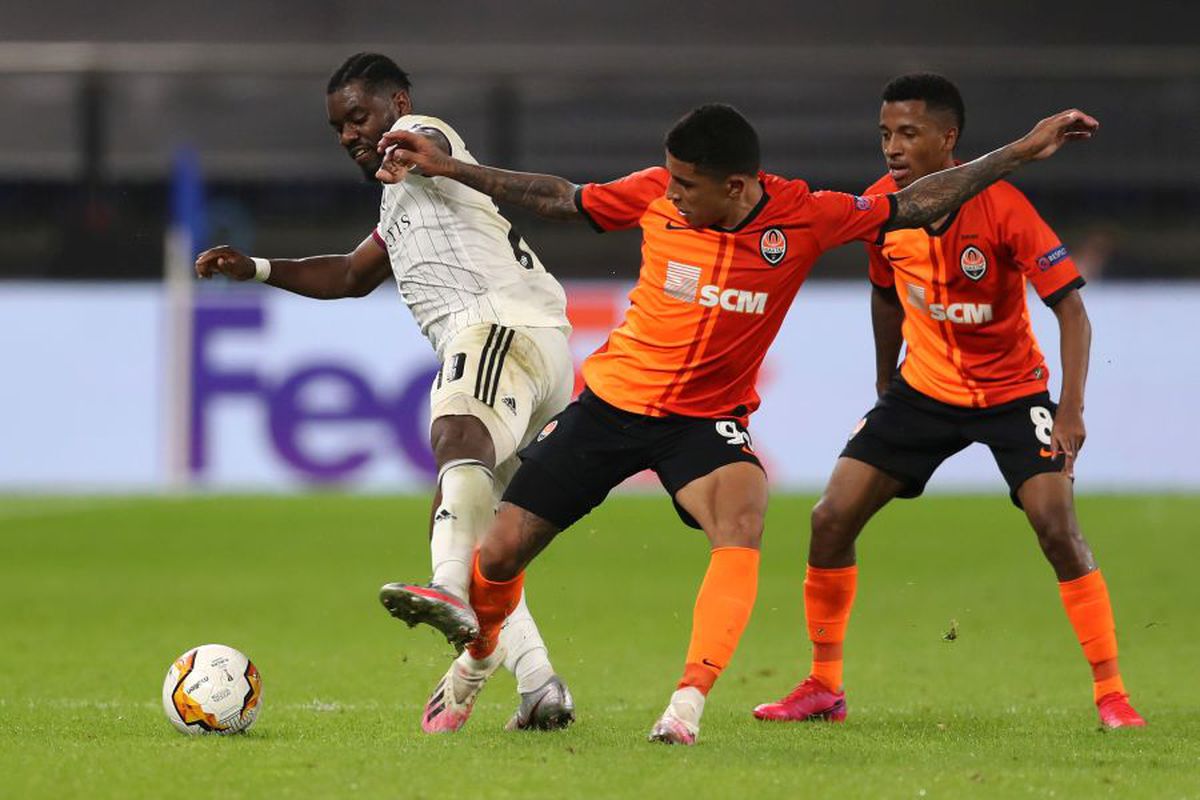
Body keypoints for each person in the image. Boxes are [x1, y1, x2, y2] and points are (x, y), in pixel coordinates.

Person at [372, 99, 1100, 744]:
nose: (673, 192)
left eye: (688, 184)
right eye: (671, 178)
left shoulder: (805, 215)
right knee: (497, 556)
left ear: (738, 185)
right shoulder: (656, 193)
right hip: (613, 404)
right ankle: (475, 665)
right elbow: (562, 198)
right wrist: (452, 168)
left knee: (744, 514)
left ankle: (686, 705)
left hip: (704, 421)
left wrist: (1017, 152)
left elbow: (912, 203)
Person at [194, 52, 576, 734]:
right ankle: (539, 683)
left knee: (455, 436)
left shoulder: (422, 139)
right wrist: (251, 267)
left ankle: (452, 598)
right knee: (485, 531)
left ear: (397, 102)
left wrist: (407, 147)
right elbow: (347, 273)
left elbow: (422, 142)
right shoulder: (404, 197)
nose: (349, 136)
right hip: (532, 344)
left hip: (497, 327)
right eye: (339, 127)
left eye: (359, 117)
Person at [752, 73, 1143, 730]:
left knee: (1057, 525)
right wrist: (885, 383)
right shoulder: (880, 208)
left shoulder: (1004, 208)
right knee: (829, 517)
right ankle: (823, 685)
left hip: (1012, 393)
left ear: (948, 138)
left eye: (908, 133)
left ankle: (1111, 694)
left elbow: (1071, 310)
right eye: (885, 134)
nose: (893, 148)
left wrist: (1071, 408)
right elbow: (883, 294)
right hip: (922, 391)